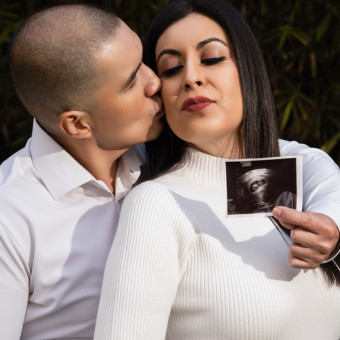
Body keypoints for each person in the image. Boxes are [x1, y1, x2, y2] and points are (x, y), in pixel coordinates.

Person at [94, 0, 340, 339]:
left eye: (211, 59)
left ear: (247, 69)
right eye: (171, 69)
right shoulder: (156, 204)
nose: (192, 78)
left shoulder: (298, 180)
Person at [0, 4, 163, 339]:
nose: (155, 81)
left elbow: (272, 151)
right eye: (132, 81)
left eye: (144, 60)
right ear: (77, 124)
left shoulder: (164, 155)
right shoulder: (9, 217)